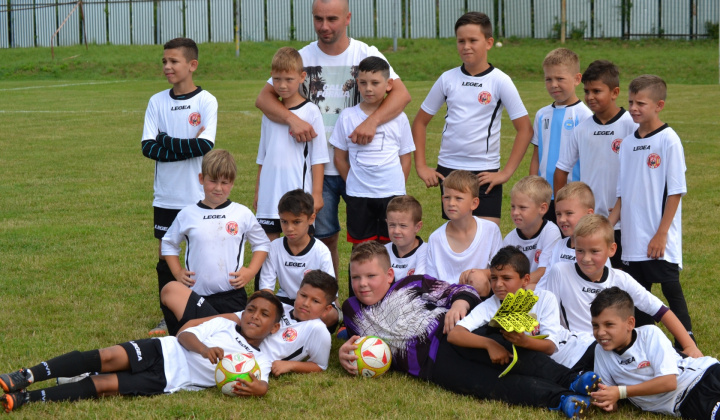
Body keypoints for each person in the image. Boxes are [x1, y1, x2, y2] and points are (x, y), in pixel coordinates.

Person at [338, 242, 601, 419]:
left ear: (389, 276)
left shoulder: (412, 283)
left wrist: (459, 304)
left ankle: (572, 380)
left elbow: (460, 289)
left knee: (512, 352)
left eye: (370, 276)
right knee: (490, 385)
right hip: (434, 365)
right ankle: (562, 399)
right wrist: (342, 353)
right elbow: (342, 332)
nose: (362, 284)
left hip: (454, 331)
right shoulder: (352, 310)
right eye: (356, 277)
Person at [254, 0, 412, 280]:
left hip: (361, 168)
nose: (324, 26)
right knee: (324, 240)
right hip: (319, 169)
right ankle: (330, 298)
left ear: (348, 17)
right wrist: (293, 119)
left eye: (332, 19)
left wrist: (371, 122)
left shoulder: (365, 52)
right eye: (318, 19)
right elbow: (264, 98)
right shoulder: (302, 57)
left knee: (371, 243)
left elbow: (401, 94)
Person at [0, 292, 282, 412]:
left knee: (105, 385)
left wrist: (258, 389)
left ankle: (28, 398)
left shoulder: (260, 359)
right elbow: (184, 334)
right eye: (250, 310)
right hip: (161, 349)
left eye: (264, 314)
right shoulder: (224, 324)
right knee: (107, 357)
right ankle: (25, 375)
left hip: (169, 380)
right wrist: (204, 349)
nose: (254, 316)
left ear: (274, 327)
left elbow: (263, 384)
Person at [413, 12, 532, 226]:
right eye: (461, 41)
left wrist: (505, 173)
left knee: (487, 239)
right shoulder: (447, 79)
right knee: (457, 237)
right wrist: (421, 165)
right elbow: (420, 122)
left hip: (484, 173)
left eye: (472, 40)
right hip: (449, 170)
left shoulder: (500, 81)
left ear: (488, 43)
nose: (466, 46)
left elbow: (524, 129)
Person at [539, 214, 702, 359]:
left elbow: (659, 310)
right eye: (580, 251)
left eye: (594, 251)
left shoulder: (620, 279)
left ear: (612, 249)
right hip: (578, 352)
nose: (586, 258)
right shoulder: (560, 272)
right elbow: (547, 315)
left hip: (617, 348)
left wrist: (689, 346)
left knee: (654, 338)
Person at [608, 74, 695, 345]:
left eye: (641, 103)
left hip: (658, 238)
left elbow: (676, 191)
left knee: (671, 290)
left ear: (659, 105)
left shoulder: (668, 140)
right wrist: (607, 228)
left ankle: (687, 344)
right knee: (638, 297)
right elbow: (621, 195)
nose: (633, 108)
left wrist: (662, 233)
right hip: (633, 239)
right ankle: (647, 343)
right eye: (631, 102)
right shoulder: (628, 143)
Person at [140, 37, 218, 336]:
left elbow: (205, 145)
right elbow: (148, 148)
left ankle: (204, 311)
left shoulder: (206, 101)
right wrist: (183, 145)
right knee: (166, 255)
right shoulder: (157, 101)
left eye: (173, 61)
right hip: (166, 196)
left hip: (198, 195)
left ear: (192, 65)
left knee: (201, 255)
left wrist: (165, 140)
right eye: (164, 62)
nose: (167, 67)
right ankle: (168, 316)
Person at [159, 150, 270, 336]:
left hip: (232, 296)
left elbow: (262, 244)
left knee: (232, 340)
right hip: (195, 296)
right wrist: (177, 272)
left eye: (225, 182)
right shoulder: (187, 214)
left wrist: (250, 271)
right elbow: (169, 244)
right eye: (213, 181)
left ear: (232, 183)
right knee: (192, 340)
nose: (218, 188)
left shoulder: (241, 213)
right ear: (201, 178)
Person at [158, 271, 336, 377]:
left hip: (237, 354)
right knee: (172, 289)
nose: (306, 303)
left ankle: (179, 346)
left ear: (326, 309)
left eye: (315, 301)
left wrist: (289, 365)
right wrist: (193, 325)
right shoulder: (280, 307)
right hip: (226, 334)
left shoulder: (317, 329)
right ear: (297, 293)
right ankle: (179, 340)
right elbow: (235, 318)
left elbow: (320, 366)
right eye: (303, 296)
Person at [449, 246, 596, 370]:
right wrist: (490, 344)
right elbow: (455, 334)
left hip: (581, 349)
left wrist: (524, 341)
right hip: (560, 368)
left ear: (525, 280)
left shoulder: (544, 298)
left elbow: (550, 347)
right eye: (494, 278)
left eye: (506, 278)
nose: (498, 284)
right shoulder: (490, 305)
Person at [554, 60, 637, 268]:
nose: (590, 97)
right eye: (587, 91)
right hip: (590, 222)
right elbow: (561, 170)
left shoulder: (631, 126)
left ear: (615, 92)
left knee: (625, 280)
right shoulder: (581, 130)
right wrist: (563, 207)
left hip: (624, 221)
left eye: (597, 91)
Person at [590, 287, 720, 419]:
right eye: (595, 325)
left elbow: (669, 382)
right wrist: (609, 402)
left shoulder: (649, 334)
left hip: (706, 374)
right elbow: (609, 394)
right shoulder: (601, 352)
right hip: (686, 400)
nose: (600, 332)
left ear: (630, 323)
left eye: (609, 324)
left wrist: (621, 392)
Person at [330, 56, 414, 248]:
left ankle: (392, 279)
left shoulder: (399, 118)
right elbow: (340, 158)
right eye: (363, 83)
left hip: (391, 194)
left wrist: (398, 187)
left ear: (389, 84)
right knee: (361, 248)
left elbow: (406, 158)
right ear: (357, 83)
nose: (368, 88)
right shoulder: (347, 116)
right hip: (359, 196)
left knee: (392, 247)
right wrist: (353, 180)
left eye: (375, 83)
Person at [254, 47, 328, 242]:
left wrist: (317, 194)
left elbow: (318, 158)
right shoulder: (269, 113)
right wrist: (258, 192)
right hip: (269, 197)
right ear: (271, 77)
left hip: (298, 196)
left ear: (302, 77)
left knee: (298, 250)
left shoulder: (311, 112)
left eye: (289, 79)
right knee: (266, 252)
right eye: (277, 79)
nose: (282, 85)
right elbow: (263, 157)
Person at [258, 189, 338, 329]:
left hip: (312, 304)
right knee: (261, 310)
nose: (289, 228)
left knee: (332, 316)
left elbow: (329, 292)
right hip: (285, 303)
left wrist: (308, 307)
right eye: (284, 221)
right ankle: (296, 327)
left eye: (296, 222)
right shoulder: (275, 247)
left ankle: (293, 327)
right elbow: (266, 289)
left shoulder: (321, 251)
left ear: (311, 218)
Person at [530, 48, 592, 223]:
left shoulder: (585, 116)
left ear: (577, 79)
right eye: (548, 79)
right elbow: (536, 155)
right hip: (543, 196)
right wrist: (532, 187)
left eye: (560, 79)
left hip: (573, 196)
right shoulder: (542, 115)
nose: (553, 84)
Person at [425, 170, 502, 285]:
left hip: (480, 294)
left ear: (474, 203)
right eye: (447, 197)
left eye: (458, 198)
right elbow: (431, 282)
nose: (451, 203)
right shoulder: (435, 238)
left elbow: (500, 270)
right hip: (445, 298)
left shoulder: (491, 230)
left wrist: (479, 273)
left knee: (477, 279)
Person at [502, 175, 561, 288]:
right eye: (513, 207)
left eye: (522, 207)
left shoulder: (551, 232)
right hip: (518, 286)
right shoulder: (510, 239)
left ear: (542, 208)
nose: (515, 212)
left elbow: (543, 272)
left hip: (542, 287)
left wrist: (515, 285)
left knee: (529, 288)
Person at [384, 195, 427, 281]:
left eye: (403, 226)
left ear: (417, 227)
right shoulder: (383, 252)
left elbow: (418, 285)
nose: (396, 231)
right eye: (392, 225)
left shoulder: (427, 252)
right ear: (387, 222)